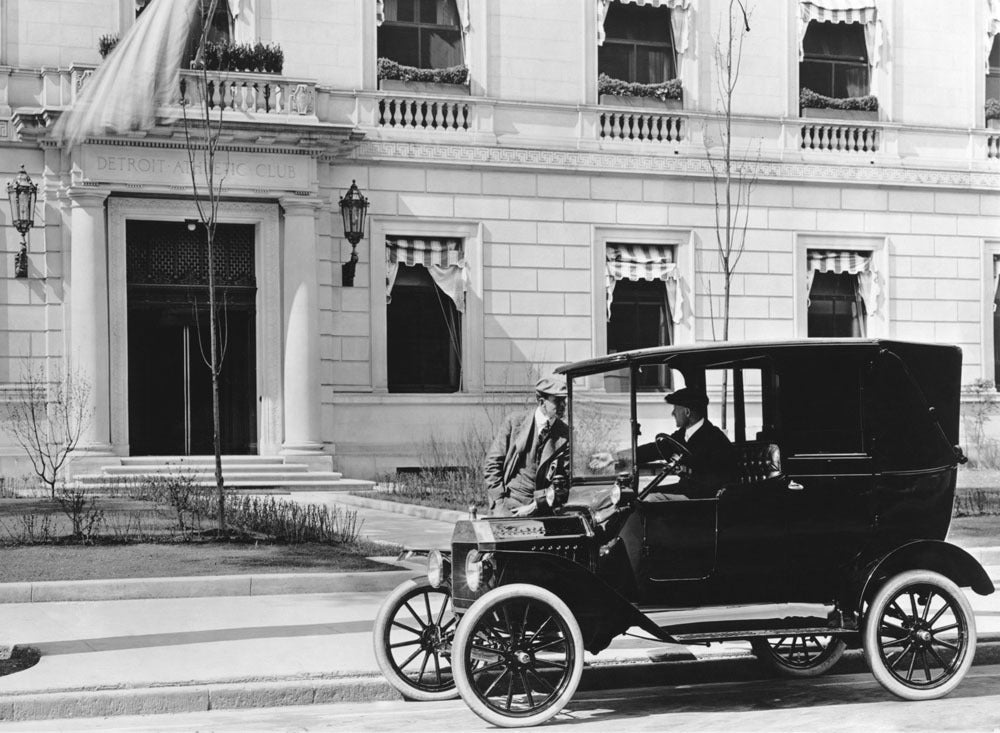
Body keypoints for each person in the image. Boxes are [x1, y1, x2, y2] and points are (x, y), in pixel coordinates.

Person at [484, 375, 569, 517]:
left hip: (543, 508)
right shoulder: (514, 422)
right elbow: (492, 464)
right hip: (509, 504)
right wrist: (499, 502)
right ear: (542, 402)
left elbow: (564, 481)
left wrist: (536, 506)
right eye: (557, 400)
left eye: (564, 400)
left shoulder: (565, 435)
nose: (563, 405)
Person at [637, 387, 738, 500]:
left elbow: (720, 479)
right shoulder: (683, 434)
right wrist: (625, 457)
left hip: (703, 499)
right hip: (686, 490)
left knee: (650, 500)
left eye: (675, 408)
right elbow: (656, 448)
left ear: (687, 412)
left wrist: (688, 472)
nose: (673, 413)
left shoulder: (715, 439)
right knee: (642, 494)